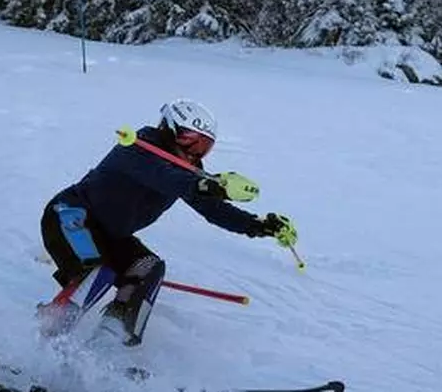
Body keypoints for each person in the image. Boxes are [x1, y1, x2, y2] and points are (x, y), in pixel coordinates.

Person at [39, 98, 297, 344]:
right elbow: (164, 176)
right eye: (190, 141)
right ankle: (44, 336)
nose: (196, 152)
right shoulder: (136, 148)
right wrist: (207, 185)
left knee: (148, 267)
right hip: (70, 216)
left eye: (204, 146)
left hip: (111, 235)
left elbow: (213, 209)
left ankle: (111, 339)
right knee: (96, 272)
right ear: (169, 129)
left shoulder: (186, 171)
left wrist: (258, 225)